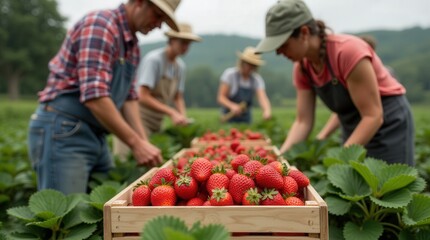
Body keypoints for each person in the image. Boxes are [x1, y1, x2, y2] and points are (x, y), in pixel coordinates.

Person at [27, 0, 181, 194]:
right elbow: (95, 96)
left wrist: (143, 141)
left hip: (96, 133)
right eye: (158, 15)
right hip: (64, 130)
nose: (158, 24)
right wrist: (135, 143)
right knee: (65, 214)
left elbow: (129, 98)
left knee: (104, 208)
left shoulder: (131, 44)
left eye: (164, 20)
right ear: (140, 3)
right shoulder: (101, 25)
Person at [255, 0, 414, 165]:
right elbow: (303, 121)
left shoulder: (347, 52)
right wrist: (280, 159)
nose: (279, 52)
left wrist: (340, 160)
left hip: (387, 124)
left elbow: (373, 115)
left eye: (283, 45)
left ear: (303, 33)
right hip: (351, 124)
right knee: (351, 184)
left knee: (387, 184)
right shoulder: (302, 68)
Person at [113, 22, 201, 160]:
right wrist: (172, 112)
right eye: (183, 42)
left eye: (188, 43)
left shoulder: (180, 67)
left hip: (156, 122)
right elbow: (143, 96)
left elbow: (178, 97)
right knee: (128, 161)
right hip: (137, 119)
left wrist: (182, 117)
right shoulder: (155, 60)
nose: (186, 47)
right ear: (171, 40)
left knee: (150, 162)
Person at [217, 46, 272, 123]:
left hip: (246, 120)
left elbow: (262, 98)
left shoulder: (256, 80)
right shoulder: (230, 75)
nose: (250, 67)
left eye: (253, 65)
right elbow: (221, 97)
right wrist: (232, 106)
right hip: (228, 119)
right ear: (242, 62)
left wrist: (267, 111)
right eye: (249, 64)